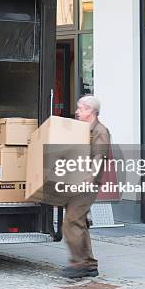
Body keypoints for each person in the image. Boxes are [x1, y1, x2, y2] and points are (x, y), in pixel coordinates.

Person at [62, 95, 111, 279]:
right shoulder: (82, 130)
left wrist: (90, 178)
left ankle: (78, 263)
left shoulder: (100, 131)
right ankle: (89, 264)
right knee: (80, 222)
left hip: (87, 184)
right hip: (76, 181)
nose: (77, 112)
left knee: (71, 221)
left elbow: (100, 157)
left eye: (81, 108)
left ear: (91, 111)